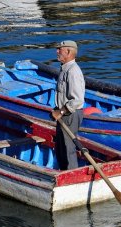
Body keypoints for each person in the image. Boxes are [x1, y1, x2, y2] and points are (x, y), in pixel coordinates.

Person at [51, 40, 85, 170]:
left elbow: (77, 99)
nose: (57, 52)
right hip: (64, 113)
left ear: (69, 52)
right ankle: (63, 173)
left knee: (68, 149)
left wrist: (61, 111)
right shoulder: (65, 69)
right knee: (60, 148)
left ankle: (71, 175)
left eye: (60, 49)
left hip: (70, 114)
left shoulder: (73, 71)